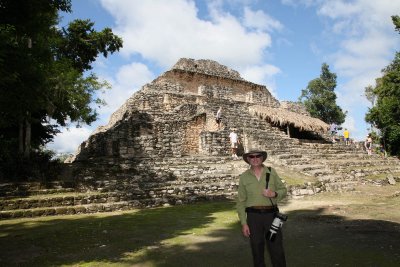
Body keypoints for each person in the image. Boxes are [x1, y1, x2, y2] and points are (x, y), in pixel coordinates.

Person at [237, 149, 287, 267]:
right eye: (252, 156)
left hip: (271, 217)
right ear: (248, 159)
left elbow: (283, 190)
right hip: (253, 218)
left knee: (276, 248)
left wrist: (273, 194)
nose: (255, 158)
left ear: (262, 158)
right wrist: (244, 223)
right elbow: (240, 202)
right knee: (257, 248)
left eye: (258, 156)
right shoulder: (244, 177)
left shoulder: (271, 172)